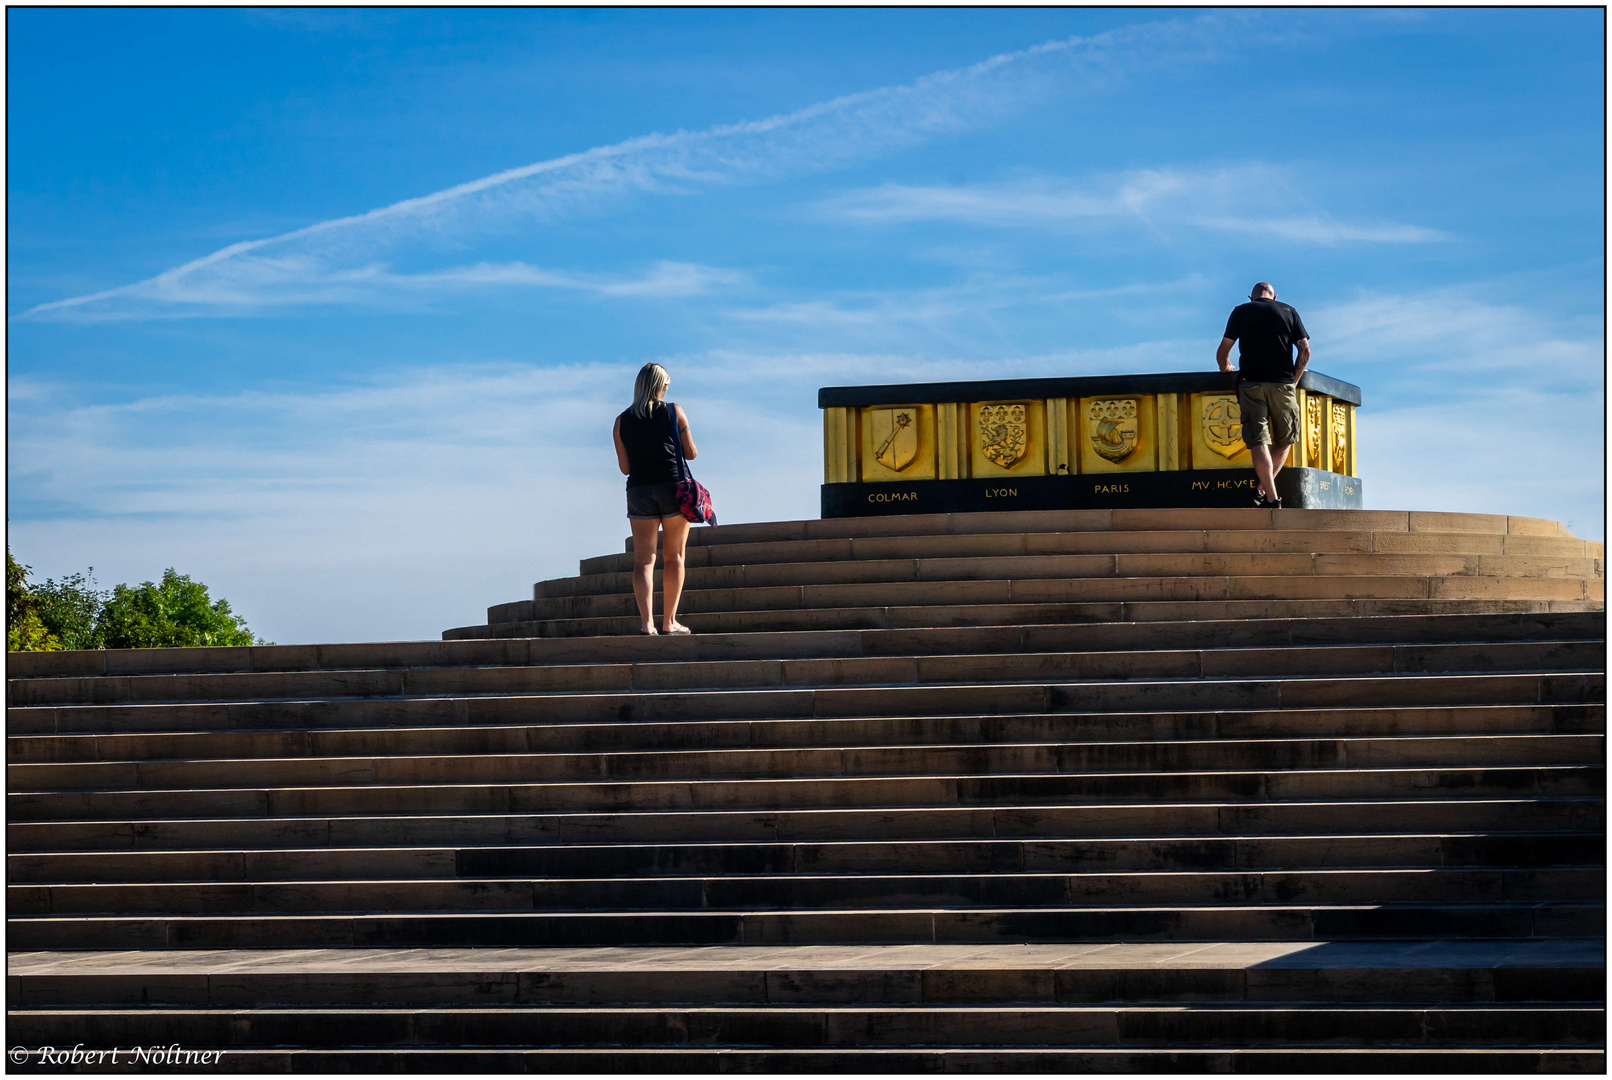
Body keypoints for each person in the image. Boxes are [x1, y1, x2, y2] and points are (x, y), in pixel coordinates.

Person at [613, 363, 699, 635]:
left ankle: (646, 623)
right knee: (674, 557)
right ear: (660, 387)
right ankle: (669, 622)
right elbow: (691, 453)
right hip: (673, 488)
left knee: (643, 561)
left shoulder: (621, 421)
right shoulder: (674, 411)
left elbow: (625, 468)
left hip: (639, 490)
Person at [1216, 281, 1311, 508]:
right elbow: (1305, 351)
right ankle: (1263, 490)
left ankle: (1269, 495)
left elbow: (1223, 352)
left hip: (1251, 384)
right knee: (1286, 440)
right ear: (1274, 297)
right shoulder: (1289, 311)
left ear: (1252, 297)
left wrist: (1226, 368)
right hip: (1283, 385)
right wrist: (1294, 381)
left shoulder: (1241, 311)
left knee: (1259, 441)